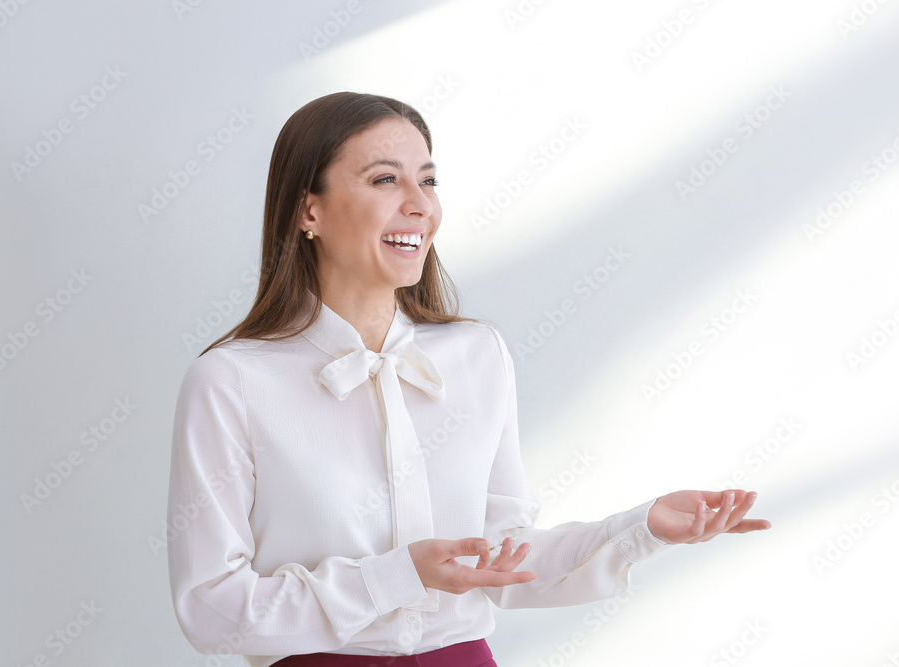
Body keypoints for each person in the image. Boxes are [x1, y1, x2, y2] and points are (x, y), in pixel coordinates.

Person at [166, 92, 771, 667]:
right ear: (309, 209)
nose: (420, 204)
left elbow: (506, 559)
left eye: (427, 180)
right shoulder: (232, 381)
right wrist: (400, 574)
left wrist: (645, 527)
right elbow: (210, 609)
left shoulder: (477, 355)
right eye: (385, 179)